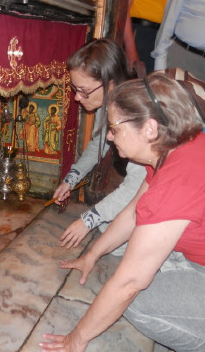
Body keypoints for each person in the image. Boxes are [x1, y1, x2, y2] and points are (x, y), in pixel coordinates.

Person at [40, 72, 205, 352]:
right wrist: (92, 255)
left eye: (114, 127)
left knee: (138, 301)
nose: (109, 136)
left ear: (149, 129)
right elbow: (134, 213)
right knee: (139, 258)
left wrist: (77, 338)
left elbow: (130, 283)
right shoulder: (176, 149)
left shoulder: (179, 178)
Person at [52, 38, 146, 256]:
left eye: (83, 91)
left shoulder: (134, 116)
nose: (76, 97)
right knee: (108, 230)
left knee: (116, 242)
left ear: (110, 84)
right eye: (75, 89)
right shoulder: (114, 101)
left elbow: (136, 187)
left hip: (185, 195)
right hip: (151, 189)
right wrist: (71, 179)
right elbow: (99, 144)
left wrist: (87, 219)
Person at [123, 0, 169, 76]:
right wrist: (130, 47)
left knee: (148, 81)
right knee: (134, 80)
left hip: (157, 35)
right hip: (141, 32)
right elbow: (123, 8)